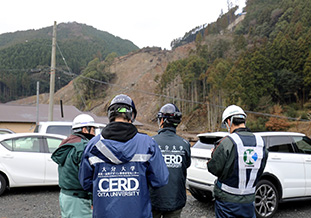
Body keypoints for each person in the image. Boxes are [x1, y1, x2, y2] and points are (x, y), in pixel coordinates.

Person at [78, 94, 169, 218]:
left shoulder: (93, 145)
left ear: (110, 116)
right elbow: (160, 179)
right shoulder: (147, 144)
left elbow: (85, 183)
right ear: (132, 116)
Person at [207, 105, 269, 218]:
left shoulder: (228, 142)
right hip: (249, 200)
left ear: (229, 121)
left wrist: (213, 154)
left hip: (227, 201)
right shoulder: (261, 142)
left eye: (226, 124)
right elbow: (261, 167)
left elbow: (213, 168)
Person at [51, 114, 98, 218]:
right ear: (85, 129)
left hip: (65, 196)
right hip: (79, 199)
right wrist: (93, 200)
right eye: (93, 130)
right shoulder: (83, 147)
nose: (95, 134)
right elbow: (87, 176)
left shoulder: (68, 143)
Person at [149, 103, 191, 218]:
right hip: (176, 200)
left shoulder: (150, 142)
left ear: (162, 120)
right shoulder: (185, 144)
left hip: (154, 200)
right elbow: (185, 165)